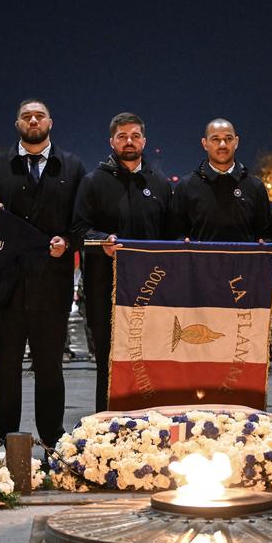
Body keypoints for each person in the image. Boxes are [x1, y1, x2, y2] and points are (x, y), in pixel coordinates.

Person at [0, 99, 85, 444]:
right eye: (27, 116)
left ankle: (54, 440)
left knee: (50, 367)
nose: (33, 120)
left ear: (50, 121)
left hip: (52, 285)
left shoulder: (72, 167)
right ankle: (4, 441)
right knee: (5, 368)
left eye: (39, 116)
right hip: (6, 286)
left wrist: (67, 242)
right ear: (17, 123)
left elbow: (82, 224)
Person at [71, 112, 173, 412]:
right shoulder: (92, 182)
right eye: (122, 136)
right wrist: (103, 241)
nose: (129, 141)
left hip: (152, 291)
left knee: (151, 360)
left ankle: (151, 424)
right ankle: (107, 424)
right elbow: (78, 230)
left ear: (144, 140)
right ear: (111, 141)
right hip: (105, 289)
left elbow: (174, 236)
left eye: (135, 135)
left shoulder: (162, 185)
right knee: (109, 360)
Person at [171, 118, 271, 242]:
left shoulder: (255, 186)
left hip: (244, 262)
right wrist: (182, 242)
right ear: (204, 144)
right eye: (215, 139)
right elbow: (175, 234)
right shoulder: (186, 186)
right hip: (200, 261)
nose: (222, 144)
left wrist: (263, 242)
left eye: (228, 138)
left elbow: (266, 235)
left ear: (237, 142)